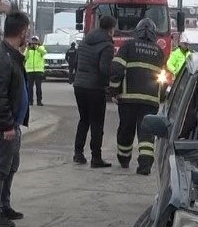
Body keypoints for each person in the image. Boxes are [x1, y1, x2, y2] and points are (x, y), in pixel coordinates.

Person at [0, 12, 31, 227]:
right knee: (1, 167)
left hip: (12, 124)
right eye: (27, 31)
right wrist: (5, 125)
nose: (28, 35)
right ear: (21, 32)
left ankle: (3, 204)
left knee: (11, 165)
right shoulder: (2, 58)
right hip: (2, 126)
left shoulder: (12, 54)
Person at [109, 17, 167, 175]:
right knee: (146, 133)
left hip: (128, 99)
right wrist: (160, 96)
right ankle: (145, 165)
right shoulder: (159, 51)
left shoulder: (128, 46)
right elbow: (163, 77)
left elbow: (116, 69)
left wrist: (113, 91)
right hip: (150, 101)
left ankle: (124, 158)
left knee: (126, 129)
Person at [71, 15, 115, 167]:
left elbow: (76, 62)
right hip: (95, 88)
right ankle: (96, 158)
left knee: (84, 120)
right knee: (97, 123)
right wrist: (112, 77)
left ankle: (78, 153)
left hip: (79, 86)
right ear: (111, 29)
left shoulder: (85, 41)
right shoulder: (107, 45)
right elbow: (104, 68)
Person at [24, 35, 47, 106]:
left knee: (38, 87)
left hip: (38, 70)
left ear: (38, 41)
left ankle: (39, 101)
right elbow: (25, 57)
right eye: (33, 41)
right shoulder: (28, 49)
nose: (34, 42)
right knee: (29, 87)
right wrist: (28, 49)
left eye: (35, 41)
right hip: (30, 70)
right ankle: (30, 101)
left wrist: (37, 47)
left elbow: (44, 53)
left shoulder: (41, 47)